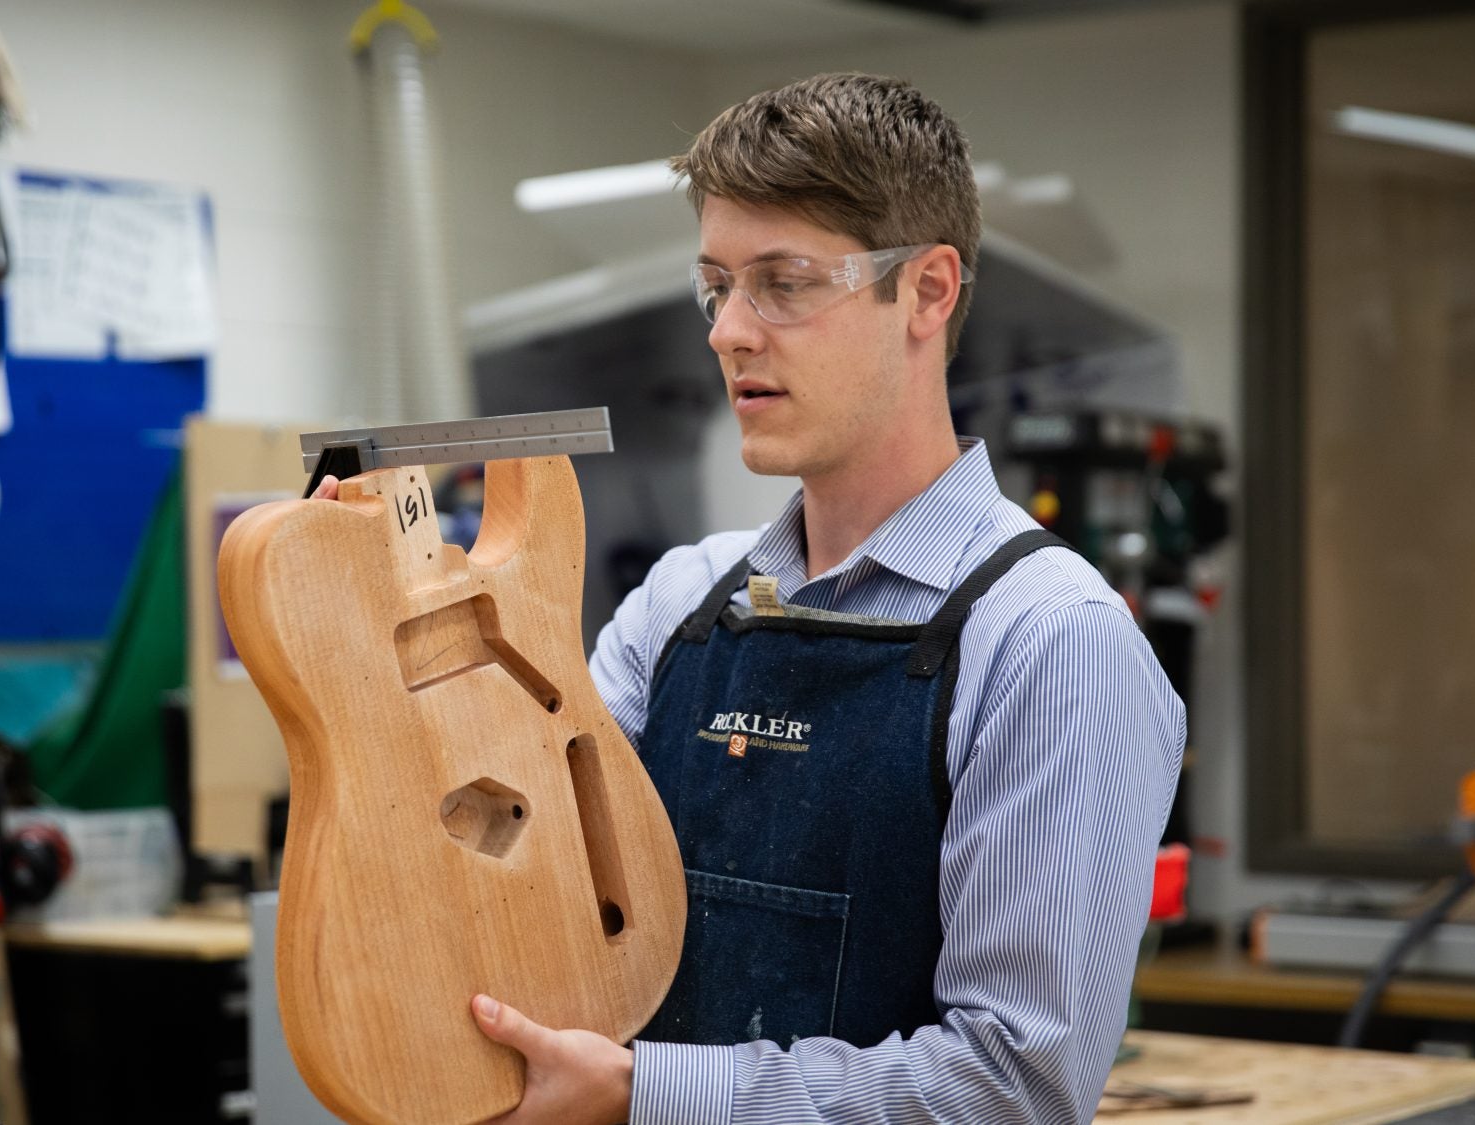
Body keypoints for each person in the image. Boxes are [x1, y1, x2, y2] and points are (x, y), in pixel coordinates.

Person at [314, 72, 1184, 1125]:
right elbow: (517, 868)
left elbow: (1014, 1088)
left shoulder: (1048, 643)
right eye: (716, 285)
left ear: (926, 291)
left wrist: (643, 1097)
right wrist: (379, 633)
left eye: (783, 281)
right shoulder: (680, 608)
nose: (729, 330)